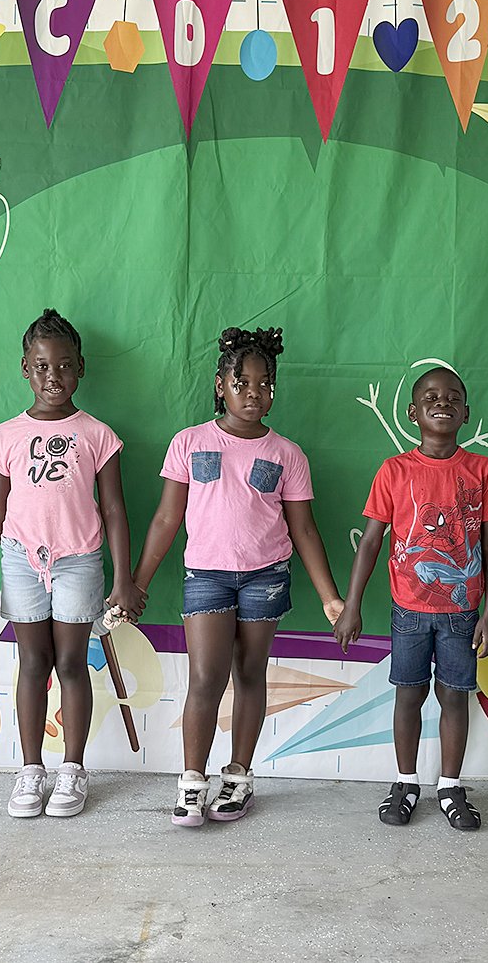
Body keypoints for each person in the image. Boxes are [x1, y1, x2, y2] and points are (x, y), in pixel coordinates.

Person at [134, 327, 345, 827]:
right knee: (206, 678)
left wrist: (331, 598)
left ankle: (239, 777)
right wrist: (138, 582)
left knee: (249, 674)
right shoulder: (189, 443)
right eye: (243, 382)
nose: (255, 393)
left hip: (265, 578)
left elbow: (305, 530)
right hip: (206, 576)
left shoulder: (287, 454)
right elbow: (166, 520)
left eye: (265, 383)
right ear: (219, 385)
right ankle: (191, 784)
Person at [0, 310, 144, 819]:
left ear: (81, 368)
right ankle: (30, 772)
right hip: (22, 559)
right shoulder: (5, 436)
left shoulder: (97, 435)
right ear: (25, 368)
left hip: (79, 558)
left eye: (64, 366)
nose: (53, 377)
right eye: (42, 366)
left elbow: (113, 509)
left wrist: (125, 577)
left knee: (70, 664)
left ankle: (72, 770)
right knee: (32, 663)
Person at [334, 367, 488, 830]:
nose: (443, 401)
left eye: (453, 397)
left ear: (466, 413)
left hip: (461, 613)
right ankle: (405, 781)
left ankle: (450, 785)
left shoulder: (482, 471)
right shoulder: (394, 471)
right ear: (413, 413)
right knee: (408, 696)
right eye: (431, 395)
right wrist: (351, 605)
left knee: (454, 697)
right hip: (409, 612)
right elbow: (371, 541)